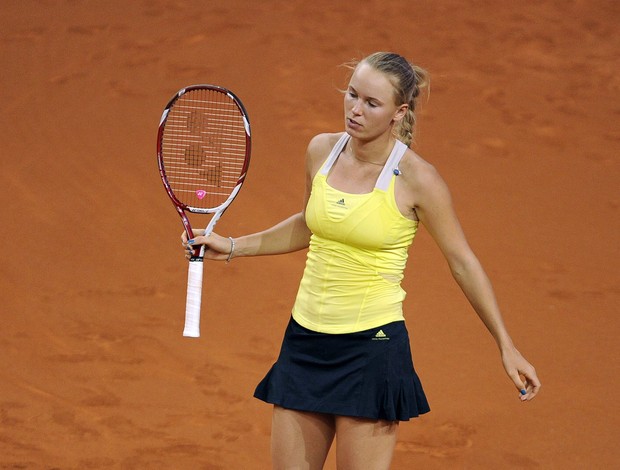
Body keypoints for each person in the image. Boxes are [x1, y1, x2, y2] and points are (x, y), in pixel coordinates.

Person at [182, 51, 541, 470]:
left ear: (398, 112)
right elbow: (312, 223)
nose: (355, 110)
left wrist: (506, 345)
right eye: (352, 95)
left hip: (371, 350)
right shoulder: (321, 150)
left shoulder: (418, 180)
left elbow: (462, 262)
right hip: (305, 341)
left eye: (371, 103)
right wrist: (234, 245)